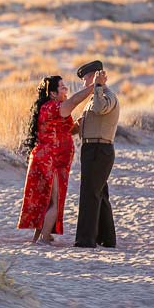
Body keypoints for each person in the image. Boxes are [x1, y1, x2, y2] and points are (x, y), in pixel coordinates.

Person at [17, 74, 97, 244]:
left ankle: (38, 237)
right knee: (54, 200)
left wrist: (80, 123)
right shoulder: (54, 106)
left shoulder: (53, 109)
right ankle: (45, 238)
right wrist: (93, 86)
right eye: (62, 87)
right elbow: (75, 100)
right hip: (51, 160)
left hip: (48, 158)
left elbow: (69, 131)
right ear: (53, 93)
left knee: (46, 199)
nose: (66, 89)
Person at [73, 60, 119, 248]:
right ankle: (107, 239)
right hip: (91, 149)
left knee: (89, 194)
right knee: (99, 193)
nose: (84, 84)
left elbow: (100, 109)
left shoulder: (106, 95)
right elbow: (85, 123)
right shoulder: (94, 98)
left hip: (99, 150)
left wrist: (98, 86)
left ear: (95, 76)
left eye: (86, 79)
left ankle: (85, 240)